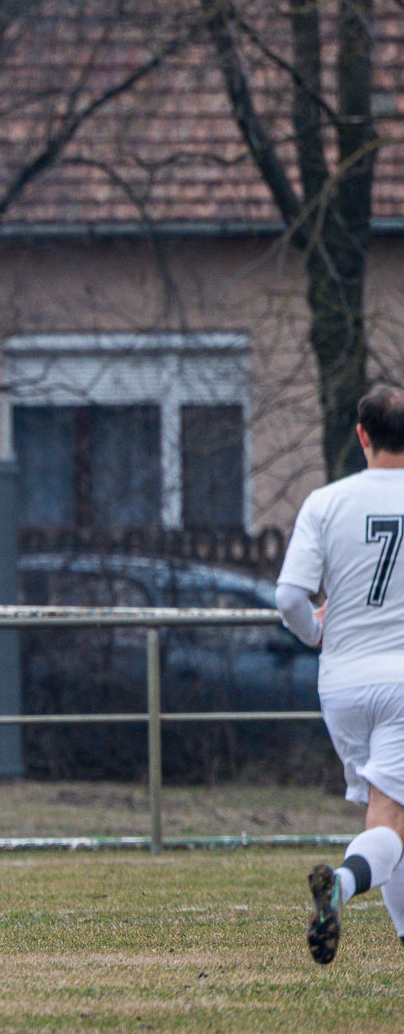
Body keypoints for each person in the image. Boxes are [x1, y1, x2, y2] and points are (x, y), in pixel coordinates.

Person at [278, 384, 404, 964]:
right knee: (390, 817)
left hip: (343, 684)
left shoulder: (326, 502)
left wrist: (315, 633)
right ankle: (342, 885)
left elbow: (289, 597)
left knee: (389, 815)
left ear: (362, 435)